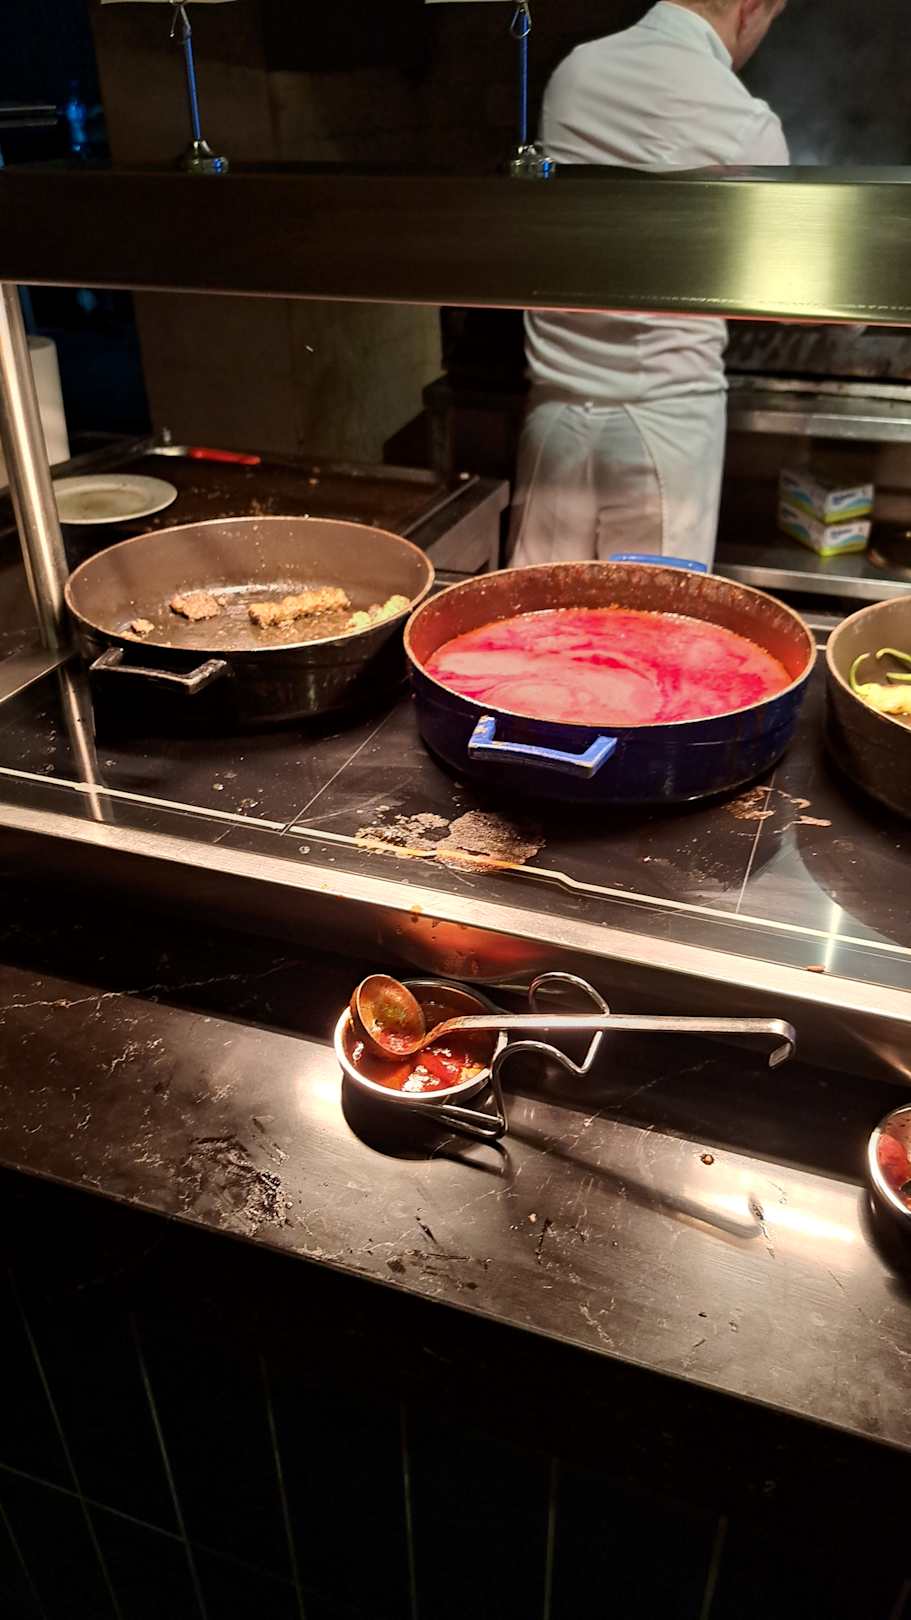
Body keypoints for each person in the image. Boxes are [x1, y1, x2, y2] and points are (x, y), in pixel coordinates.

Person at [509, 0, 789, 570]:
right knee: (649, 622)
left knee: (537, 615)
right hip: (667, 426)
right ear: (751, 8)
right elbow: (790, 287)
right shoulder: (743, 117)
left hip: (555, 418)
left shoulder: (575, 72)